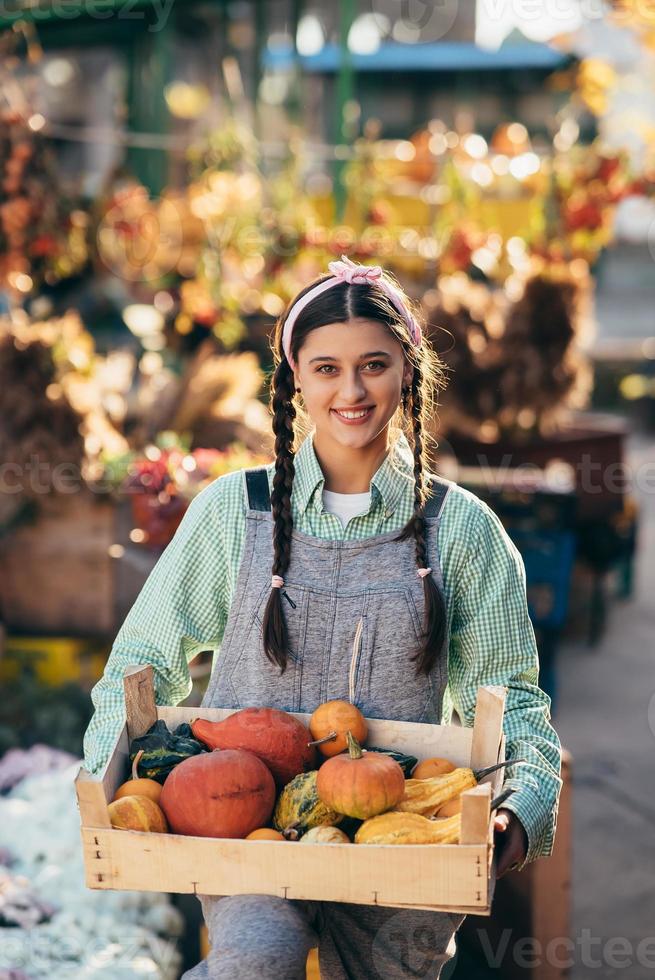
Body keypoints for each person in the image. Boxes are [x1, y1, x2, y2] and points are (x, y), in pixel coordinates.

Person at [83, 255, 562, 979]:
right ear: (295, 379)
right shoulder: (232, 513)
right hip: (249, 824)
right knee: (256, 962)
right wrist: (102, 777)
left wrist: (515, 812)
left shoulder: (462, 531)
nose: (351, 389)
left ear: (408, 370)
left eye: (373, 364)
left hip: (402, 834)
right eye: (326, 368)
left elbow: (514, 698)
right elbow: (140, 661)